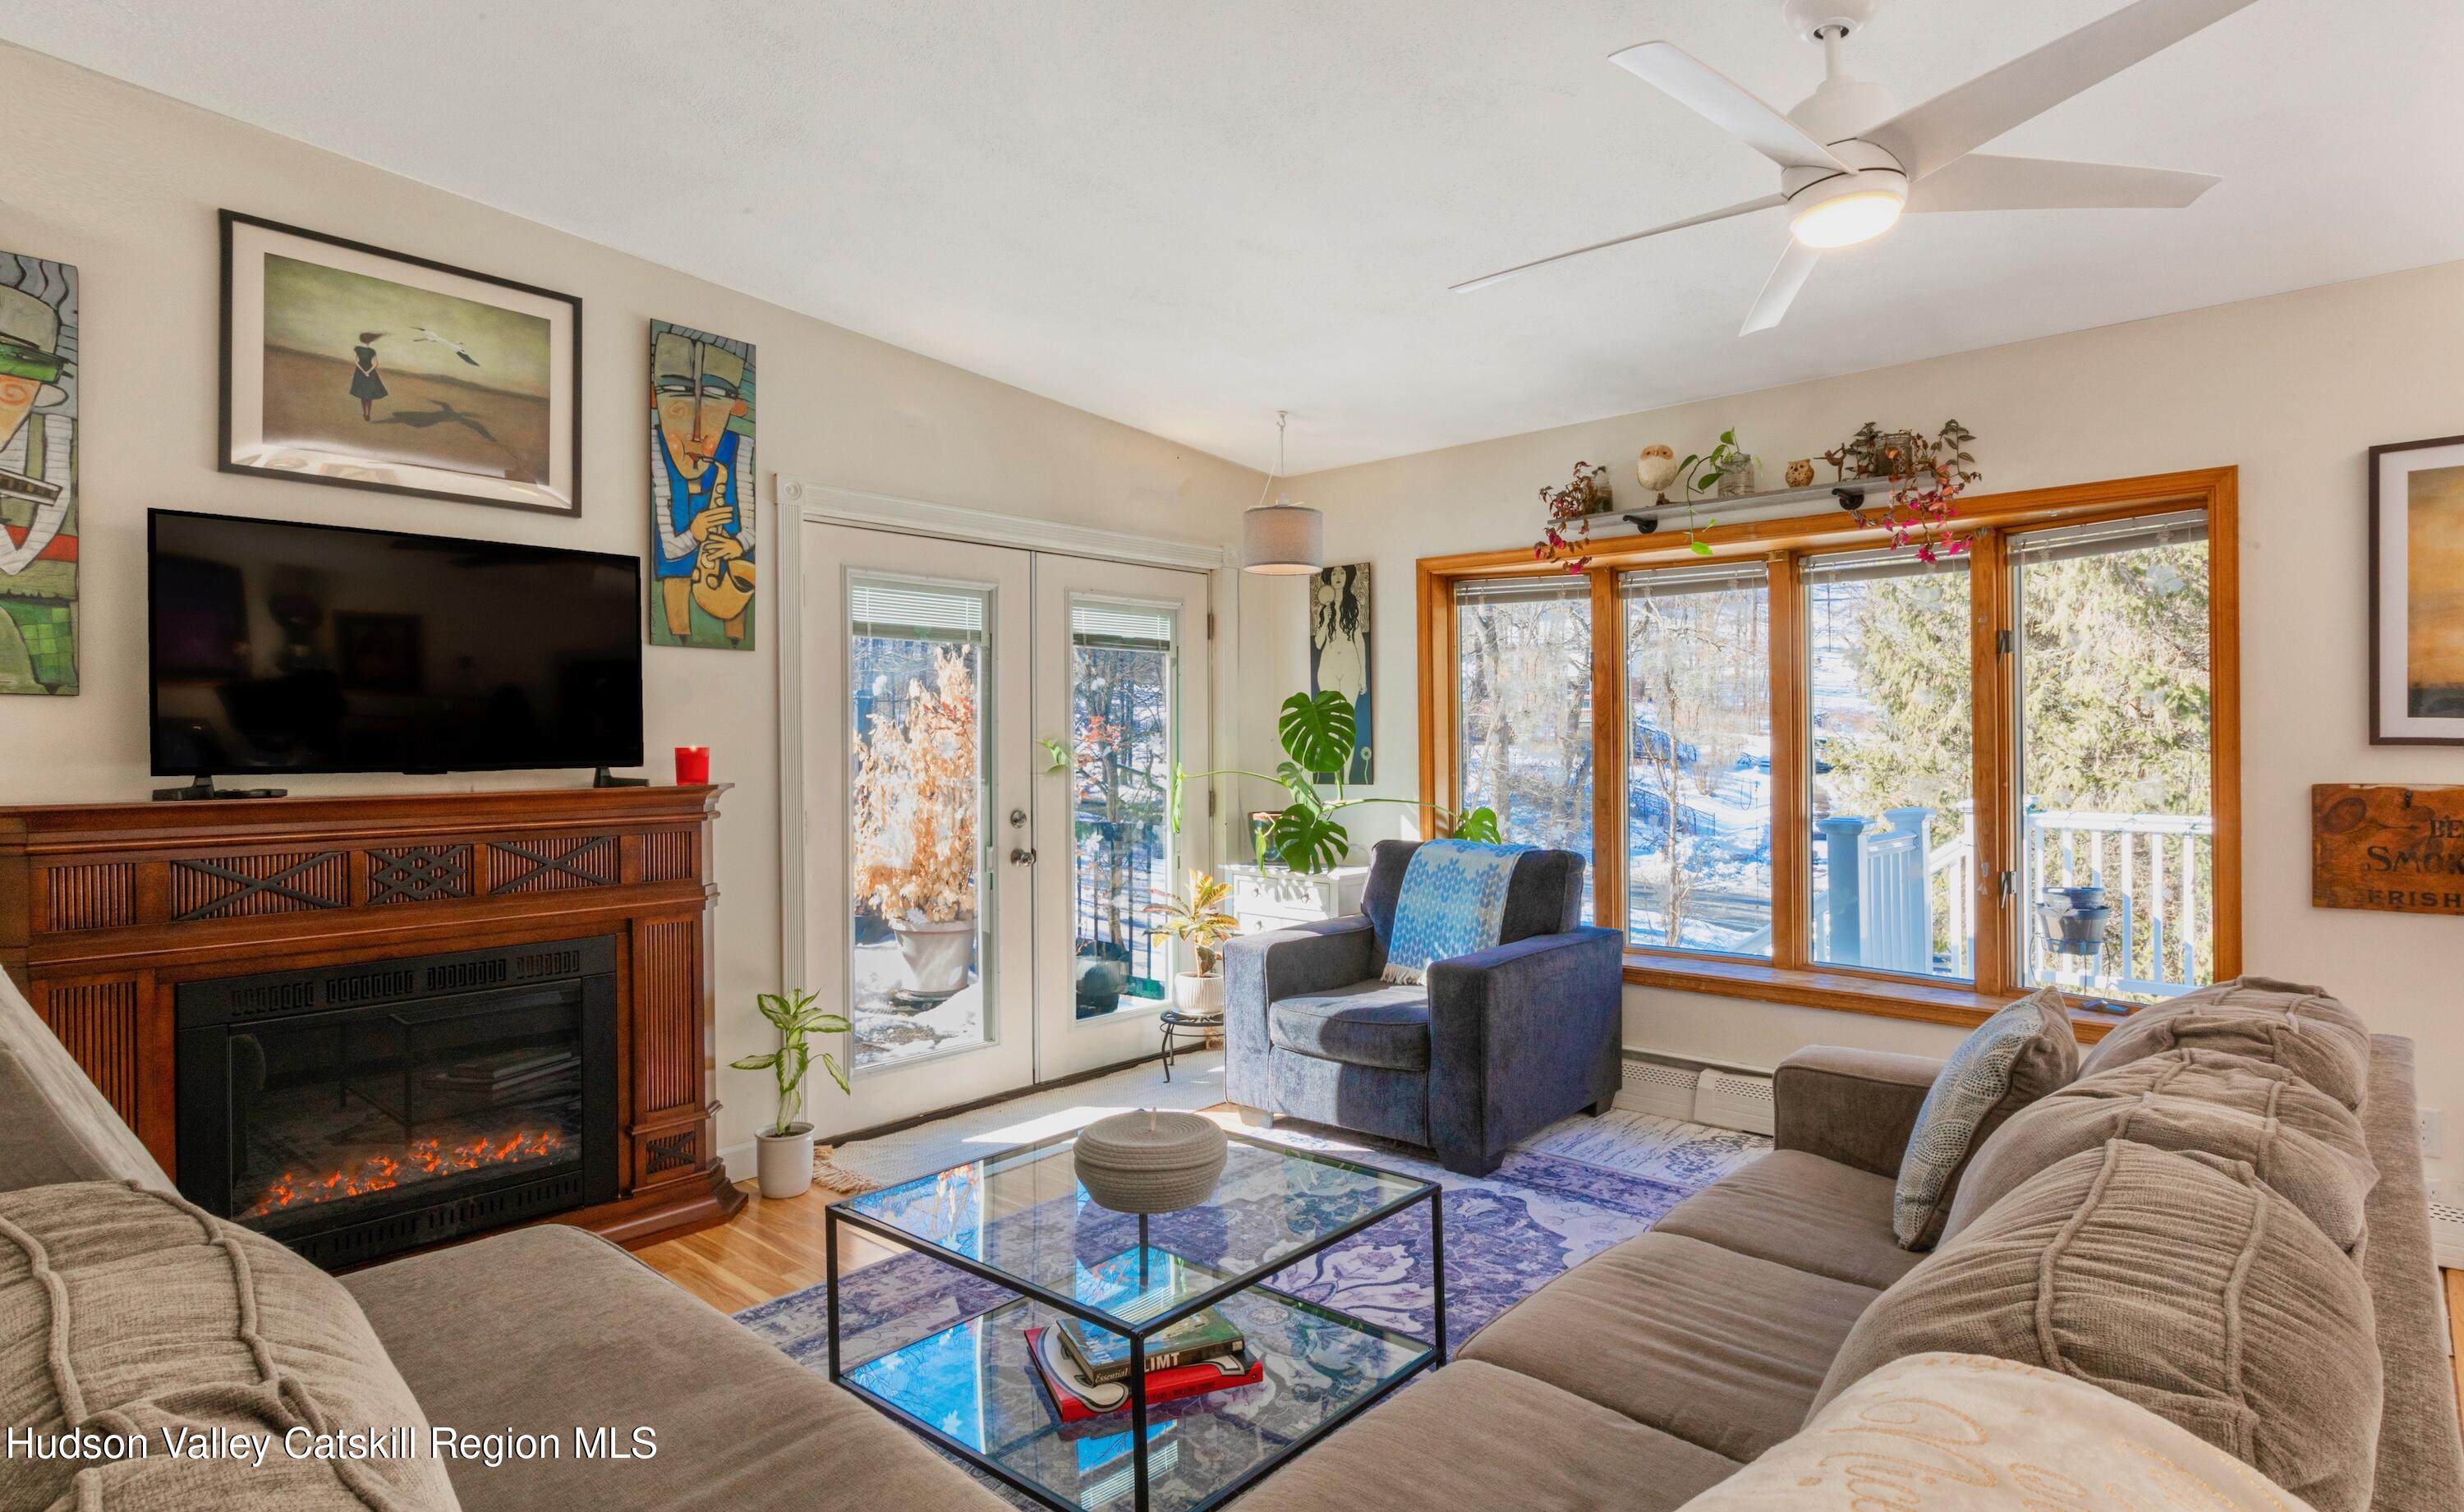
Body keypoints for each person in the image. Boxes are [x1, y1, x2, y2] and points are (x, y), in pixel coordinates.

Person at [349, 331, 387, 420]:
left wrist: (363, 371)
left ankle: (364, 413)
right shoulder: (372, 351)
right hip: (370, 373)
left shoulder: (357, 349)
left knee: (363, 394)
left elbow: (355, 361)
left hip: (360, 373)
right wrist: (368, 371)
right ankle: (368, 413)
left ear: (361, 340)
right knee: (369, 395)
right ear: (370, 341)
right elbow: (376, 364)